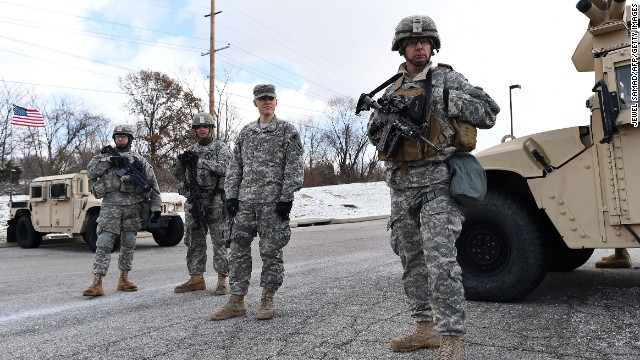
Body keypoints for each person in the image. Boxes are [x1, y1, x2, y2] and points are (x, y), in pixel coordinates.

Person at [366, 16, 499, 359]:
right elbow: (373, 132)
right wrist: (386, 122)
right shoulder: (391, 88)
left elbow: (488, 111)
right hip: (400, 185)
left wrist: (448, 99)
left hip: (438, 183)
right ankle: (423, 329)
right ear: (402, 48)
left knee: (441, 261)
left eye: (425, 41)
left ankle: (451, 337)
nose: (419, 46)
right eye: (413, 43)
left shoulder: (448, 79)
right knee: (411, 259)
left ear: (433, 46)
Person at [210, 84, 304, 321]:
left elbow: (294, 167)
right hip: (245, 203)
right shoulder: (246, 132)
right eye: (262, 99)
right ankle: (237, 300)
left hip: (272, 205)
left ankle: (267, 298)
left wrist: (286, 198)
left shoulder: (287, 131)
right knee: (238, 252)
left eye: (270, 99)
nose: (267, 102)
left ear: (276, 101)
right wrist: (231, 195)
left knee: (271, 252)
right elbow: (235, 167)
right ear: (255, 103)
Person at [83, 124, 162, 297]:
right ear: (114, 139)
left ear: (130, 139)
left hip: (133, 206)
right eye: (117, 136)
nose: (120, 139)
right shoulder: (103, 157)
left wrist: (156, 206)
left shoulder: (138, 160)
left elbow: (152, 182)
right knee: (104, 242)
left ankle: (123, 279)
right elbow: (90, 172)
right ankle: (97, 282)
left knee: (128, 242)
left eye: (124, 136)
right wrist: (109, 161)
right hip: (111, 205)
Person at [173, 112, 232, 295]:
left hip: (215, 200)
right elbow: (177, 174)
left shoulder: (220, 148)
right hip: (194, 201)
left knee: (219, 241)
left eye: (205, 126)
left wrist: (201, 162)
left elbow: (226, 168)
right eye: (198, 127)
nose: (202, 129)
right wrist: (181, 162)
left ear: (211, 129)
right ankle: (196, 278)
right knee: (194, 240)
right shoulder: (191, 150)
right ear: (195, 131)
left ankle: (223, 279)